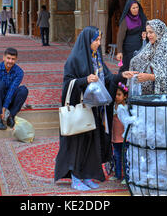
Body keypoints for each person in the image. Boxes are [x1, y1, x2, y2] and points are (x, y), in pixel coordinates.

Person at [54, 26, 137, 191]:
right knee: (78, 143)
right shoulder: (75, 59)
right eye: (96, 40)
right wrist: (85, 80)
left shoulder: (96, 58)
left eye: (100, 39)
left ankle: (86, 174)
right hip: (80, 108)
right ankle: (75, 177)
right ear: (87, 41)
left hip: (94, 108)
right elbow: (67, 83)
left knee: (91, 143)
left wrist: (121, 75)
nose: (99, 43)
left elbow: (106, 78)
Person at [129, 19, 167, 95]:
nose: (148, 36)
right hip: (152, 90)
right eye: (147, 33)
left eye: (151, 32)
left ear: (159, 32)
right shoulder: (151, 45)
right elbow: (138, 59)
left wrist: (150, 77)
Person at [0, 47, 29, 130]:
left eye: (13, 59)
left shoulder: (19, 72)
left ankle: (11, 116)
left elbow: (12, 90)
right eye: (8, 58)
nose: (10, 61)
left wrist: (4, 107)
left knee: (23, 90)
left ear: (16, 59)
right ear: (3, 57)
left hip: (9, 100)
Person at [116, 0, 147, 73]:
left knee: (140, 69)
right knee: (128, 68)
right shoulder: (125, 20)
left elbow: (146, 27)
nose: (136, 10)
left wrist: (145, 32)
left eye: (137, 7)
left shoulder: (141, 17)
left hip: (140, 47)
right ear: (129, 9)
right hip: (129, 49)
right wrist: (119, 51)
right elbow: (120, 37)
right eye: (133, 8)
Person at [109, 82, 129, 184]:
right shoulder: (113, 107)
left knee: (126, 157)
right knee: (116, 156)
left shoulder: (126, 108)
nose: (116, 97)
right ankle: (117, 174)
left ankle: (127, 176)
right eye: (115, 95)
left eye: (119, 95)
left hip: (125, 137)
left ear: (125, 96)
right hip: (115, 137)